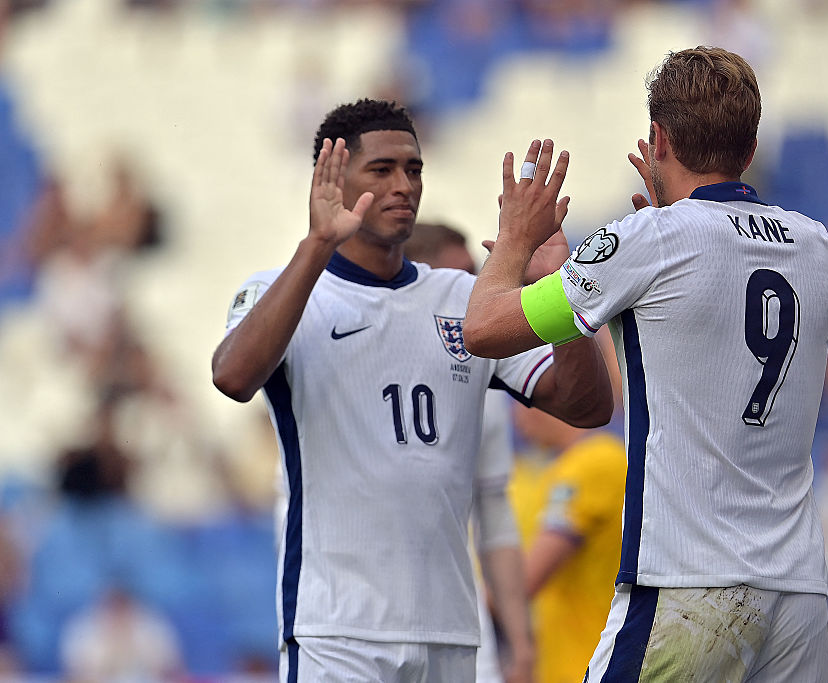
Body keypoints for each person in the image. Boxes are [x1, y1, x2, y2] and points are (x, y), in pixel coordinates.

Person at [463, 47, 828, 682]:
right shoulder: (818, 247)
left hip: (689, 583)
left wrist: (515, 241)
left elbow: (482, 326)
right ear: (750, 148)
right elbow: (728, 317)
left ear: (658, 138)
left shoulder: (651, 241)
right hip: (797, 592)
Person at [211, 99, 613, 683]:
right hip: (337, 632)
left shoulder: (463, 298)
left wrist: (559, 289)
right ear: (333, 179)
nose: (404, 185)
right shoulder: (284, 292)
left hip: (448, 631)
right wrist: (316, 245)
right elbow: (232, 376)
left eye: (414, 169)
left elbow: (588, 407)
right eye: (382, 170)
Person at [403, 220, 528, 683]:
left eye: (475, 275)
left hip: (461, 625)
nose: (472, 291)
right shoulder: (354, 358)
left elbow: (494, 512)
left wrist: (520, 642)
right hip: (359, 626)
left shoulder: (482, 375)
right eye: (457, 276)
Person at [510, 400, 626, 683]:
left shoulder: (594, 460)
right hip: (563, 665)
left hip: (586, 663)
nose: (515, 416)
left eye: (521, 397)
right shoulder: (562, 466)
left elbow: (525, 581)